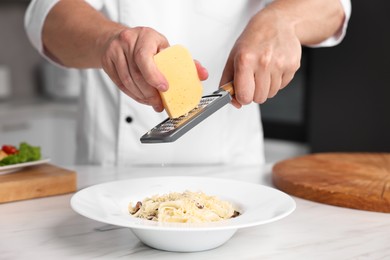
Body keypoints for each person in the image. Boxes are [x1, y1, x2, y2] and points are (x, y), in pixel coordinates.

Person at [25, 0, 351, 166]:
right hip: (106, 175)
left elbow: (333, 6)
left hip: (232, 174)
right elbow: (46, 14)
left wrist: (283, 19)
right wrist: (106, 41)